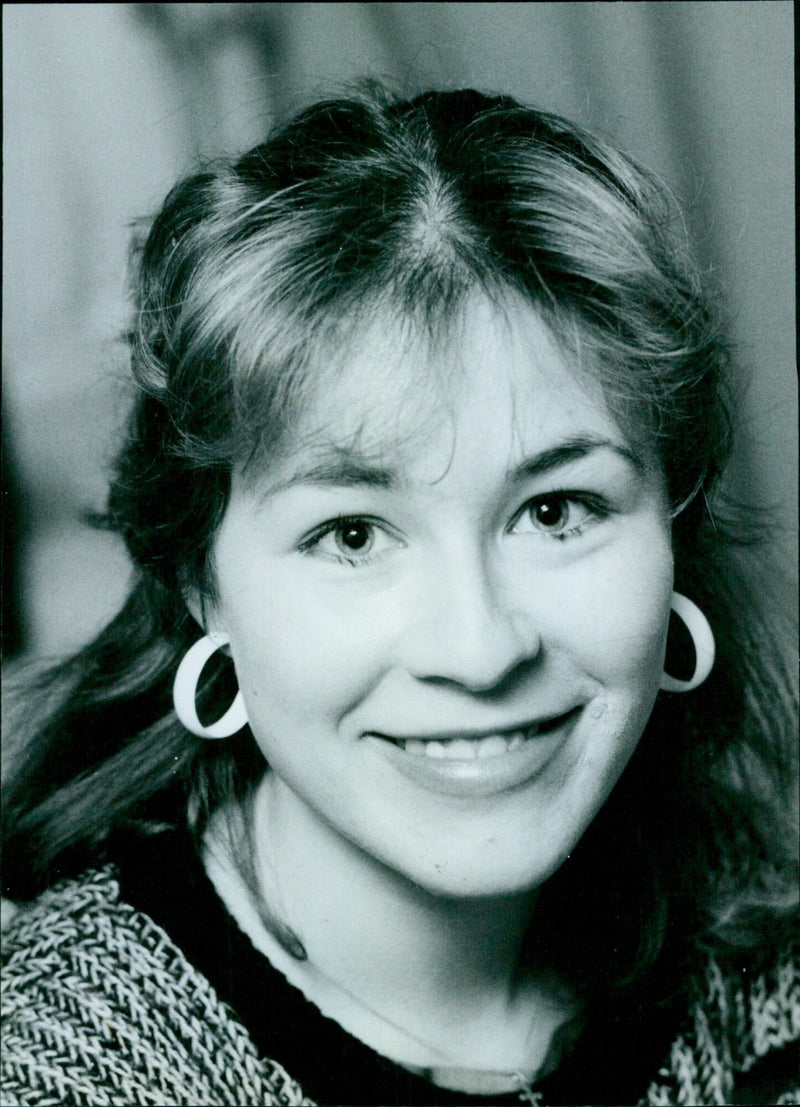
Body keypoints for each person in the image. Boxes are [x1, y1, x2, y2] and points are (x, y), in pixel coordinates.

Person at [1, 83, 797, 1107]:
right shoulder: (63, 1065)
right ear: (202, 582)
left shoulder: (761, 948)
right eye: (351, 534)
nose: (476, 648)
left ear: (670, 530)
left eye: (554, 511)